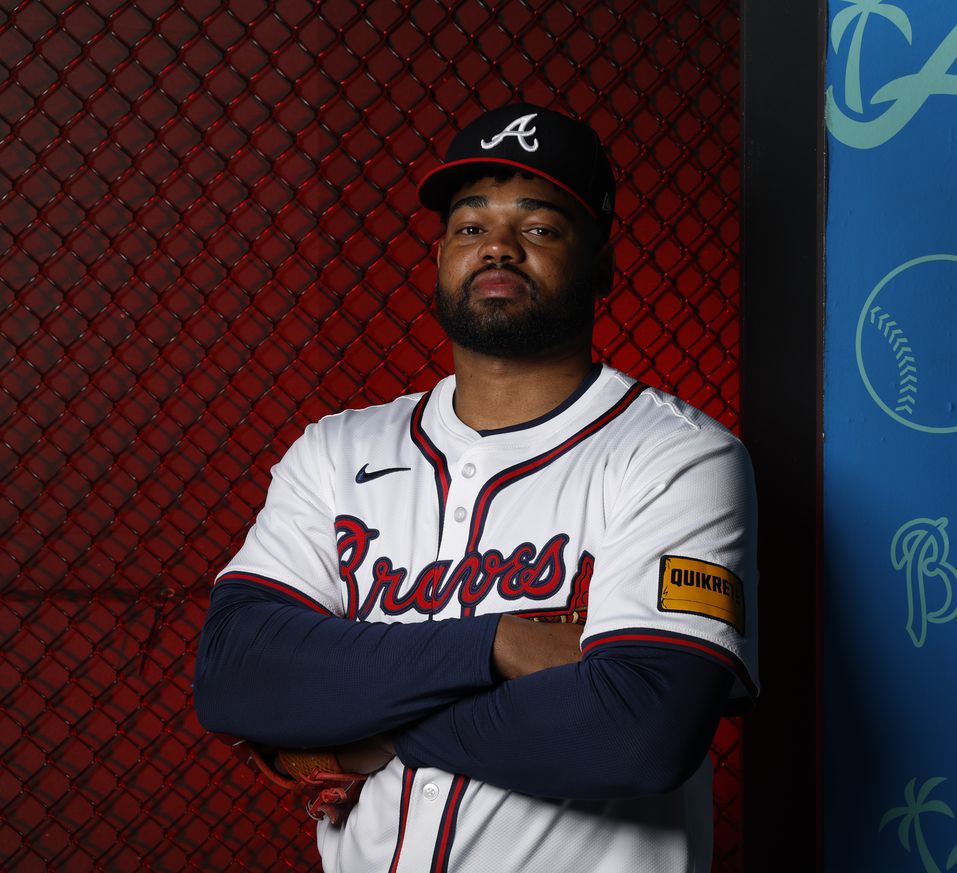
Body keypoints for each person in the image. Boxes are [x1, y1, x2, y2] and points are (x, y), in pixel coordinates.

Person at [193, 103, 759, 873]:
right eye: (470, 226)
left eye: (540, 226)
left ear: (601, 262)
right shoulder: (335, 449)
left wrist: (377, 721)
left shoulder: (675, 456)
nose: (497, 245)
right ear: (438, 259)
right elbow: (235, 671)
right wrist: (499, 643)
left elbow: (638, 732)